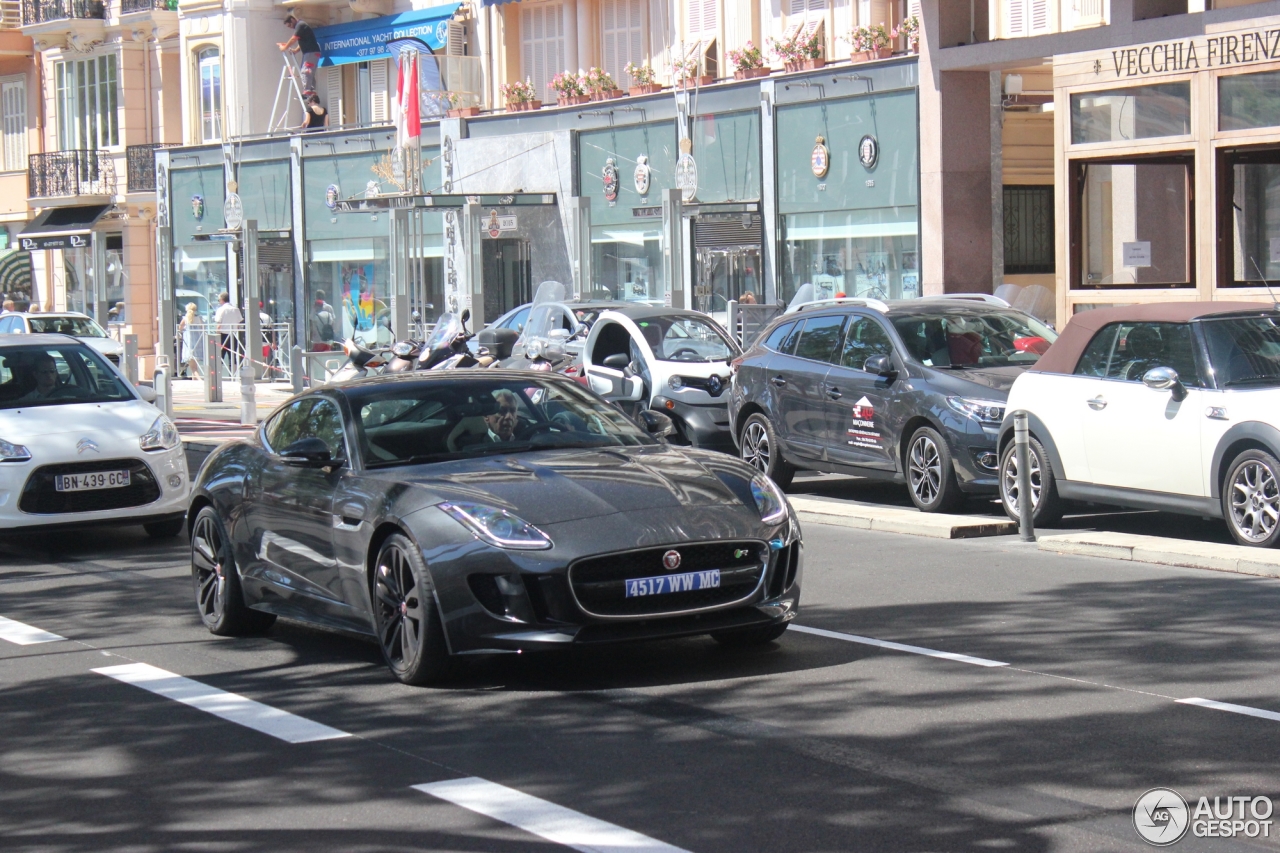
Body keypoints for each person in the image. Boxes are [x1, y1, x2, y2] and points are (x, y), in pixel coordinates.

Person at [279, 15, 321, 97]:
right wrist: (295, 50)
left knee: (305, 71)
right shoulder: (301, 26)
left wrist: (284, 47)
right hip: (310, 52)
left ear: (292, 20)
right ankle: (311, 90)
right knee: (308, 71)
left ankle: (307, 90)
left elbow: (293, 39)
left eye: (290, 25)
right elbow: (302, 42)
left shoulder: (300, 25)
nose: (291, 27)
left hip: (311, 52)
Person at [213, 292, 243, 372]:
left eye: (219, 300)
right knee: (232, 357)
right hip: (233, 335)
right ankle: (233, 375)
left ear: (222, 300)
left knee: (219, 356)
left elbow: (218, 325)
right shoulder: (236, 309)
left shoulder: (220, 310)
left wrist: (217, 335)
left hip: (222, 336)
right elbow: (238, 324)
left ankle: (218, 375)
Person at [178, 302, 203, 379]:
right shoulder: (198, 318)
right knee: (195, 367)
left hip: (188, 344)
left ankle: (199, 380)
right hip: (197, 344)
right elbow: (203, 328)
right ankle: (194, 381)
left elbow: (180, 328)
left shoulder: (185, 319)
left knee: (193, 368)